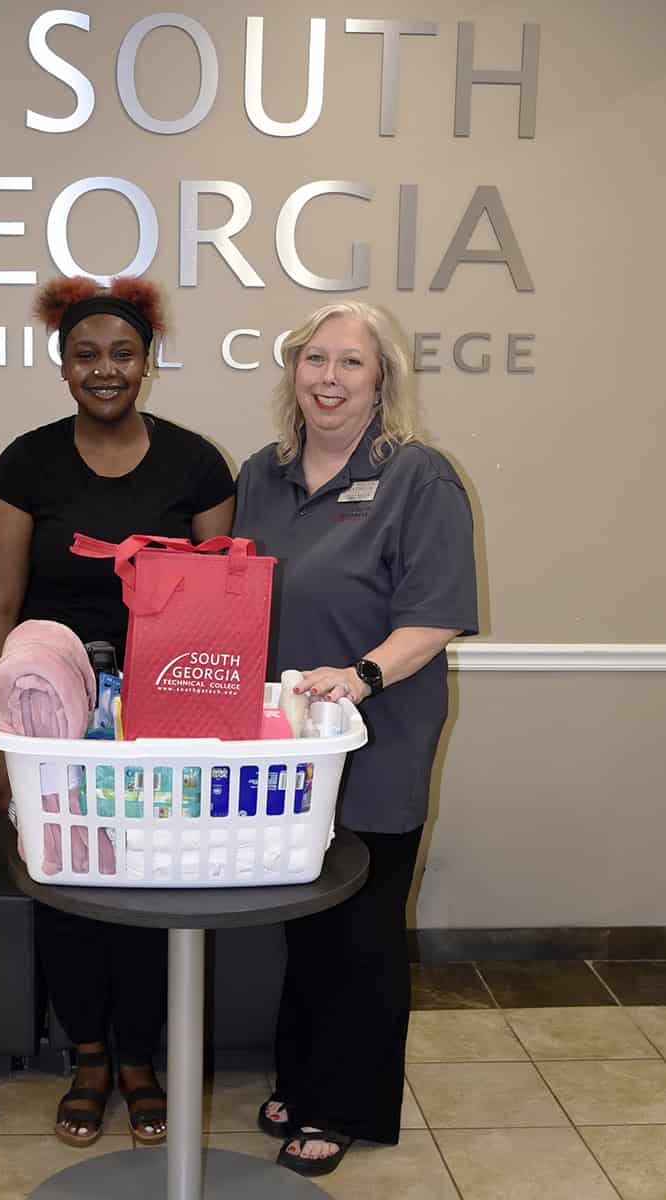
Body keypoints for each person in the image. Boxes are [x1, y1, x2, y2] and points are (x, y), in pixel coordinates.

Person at [0, 276, 235, 1146]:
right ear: (62, 366)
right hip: (52, 725)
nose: (105, 368)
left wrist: (215, 729)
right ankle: (86, 1055)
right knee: (67, 892)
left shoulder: (197, 464)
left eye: (122, 352)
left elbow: (218, 612)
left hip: (162, 717)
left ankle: (139, 1060)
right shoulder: (26, 463)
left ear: (148, 362)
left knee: (152, 889)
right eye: (86, 353)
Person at [233, 301, 478, 1178]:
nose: (328, 379)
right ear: (292, 371)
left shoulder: (419, 476)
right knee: (307, 921)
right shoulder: (261, 474)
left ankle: (345, 1105)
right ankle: (301, 1078)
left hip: (378, 737)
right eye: (314, 360)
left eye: (351, 364)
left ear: (383, 382)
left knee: (365, 928)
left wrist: (363, 675)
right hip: (287, 748)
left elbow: (438, 614)